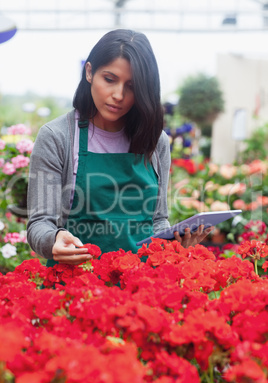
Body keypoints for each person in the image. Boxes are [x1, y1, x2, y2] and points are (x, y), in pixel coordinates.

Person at [27, 29, 213, 266]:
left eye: (132, 86)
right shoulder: (57, 137)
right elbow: (39, 222)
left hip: (141, 287)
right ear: (90, 72)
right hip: (76, 289)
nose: (119, 95)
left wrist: (177, 244)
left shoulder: (155, 142)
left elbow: (157, 220)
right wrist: (52, 238)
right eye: (110, 79)